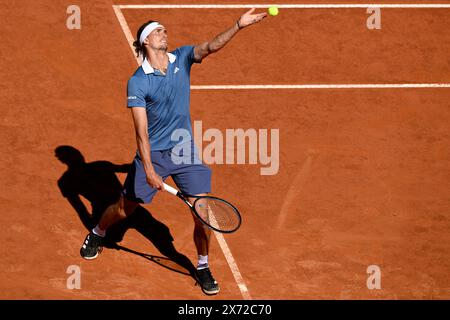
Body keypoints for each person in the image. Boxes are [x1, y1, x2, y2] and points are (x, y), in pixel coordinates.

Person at [79, 8, 267, 295]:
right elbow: (141, 132)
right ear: (145, 42)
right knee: (124, 209)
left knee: (202, 212)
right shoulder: (139, 81)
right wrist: (150, 170)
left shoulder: (181, 58)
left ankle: (202, 266)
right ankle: (98, 232)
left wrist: (238, 26)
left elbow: (211, 46)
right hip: (153, 155)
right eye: (157, 30)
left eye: (164, 29)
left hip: (184, 150)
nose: (164, 32)